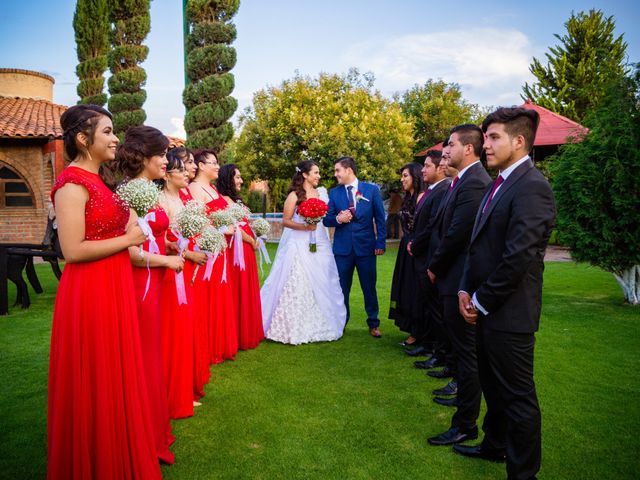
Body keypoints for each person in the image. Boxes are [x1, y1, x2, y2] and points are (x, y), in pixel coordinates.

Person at [48, 104, 161, 479]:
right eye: (108, 132)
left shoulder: (101, 183)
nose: (116, 139)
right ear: (83, 139)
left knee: (117, 373)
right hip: (89, 293)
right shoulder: (71, 184)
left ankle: (119, 452)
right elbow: (73, 250)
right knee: (94, 375)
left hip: (114, 287)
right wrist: (129, 237)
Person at [454, 108, 555, 480]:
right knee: (493, 390)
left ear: (519, 141)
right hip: (484, 306)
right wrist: (465, 287)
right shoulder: (499, 182)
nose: (486, 145)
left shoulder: (533, 187)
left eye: (494, 137)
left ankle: (523, 474)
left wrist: (480, 301)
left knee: (518, 398)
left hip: (510, 314)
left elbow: (518, 258)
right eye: (486, 137)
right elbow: (478, 245)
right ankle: (494, 447)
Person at [115, 126, 184, 464]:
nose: (166, 161)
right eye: (161, 155)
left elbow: (148, 235)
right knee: (142, 358)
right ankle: (139, 434)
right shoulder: (130, 192)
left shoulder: (146, 190)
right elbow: (128, 251)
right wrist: (167, 260)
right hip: (140, 283)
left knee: (152, 355)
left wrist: (168, 243)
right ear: (143, 157)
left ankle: (153, 427)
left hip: (153, 280)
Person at [425, 125, 491, 446]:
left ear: (468, 148)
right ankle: (464, 408)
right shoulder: (461, 181)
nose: (445, 151)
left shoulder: (475, 182)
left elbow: (458, 233)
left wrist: (435, 267)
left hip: (459, 278)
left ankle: (465, 424)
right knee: (463, 352)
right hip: (452, 278)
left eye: (450, 145)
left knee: (468, 355)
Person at [261, 160, 347, 344]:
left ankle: (322, 322)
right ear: (305, 175)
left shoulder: (322, 193)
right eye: (315, 172)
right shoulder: (294, 195)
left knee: (324, 279)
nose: (319, 176)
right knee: (299, 280)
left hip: (321, 242)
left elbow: (328, 217)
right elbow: (286, 221)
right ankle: (292, 326)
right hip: (299, 243)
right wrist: (304, 226)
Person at [159, 150, 205, 419]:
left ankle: (184, 386)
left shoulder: (185, 199)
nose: (188, 172)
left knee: (187, 328)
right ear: (167, 174)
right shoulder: (162, 201)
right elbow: (163, 241)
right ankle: (172, 392)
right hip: (171, 269)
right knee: (173, 330)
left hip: (186, 266)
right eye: (181, 168)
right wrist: (187, 253)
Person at [323, 156, 386, 337]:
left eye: (338, 171)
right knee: (342, 288)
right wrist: (337, 219)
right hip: (343, 250)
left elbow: (380, 219)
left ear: (348, 170)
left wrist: (380, 242)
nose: (336, 174)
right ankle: (341, 323)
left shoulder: (371, 190)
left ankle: (373, 323)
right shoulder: (334, 193)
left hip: (367, 248)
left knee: (369, 287)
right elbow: (327, 220)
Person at [188, 149, 238, 363]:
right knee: (206, 296)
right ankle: (205, 347)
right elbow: (195, 221)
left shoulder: (213, 189)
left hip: (220, 250)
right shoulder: (194, 189)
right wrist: (221, 229)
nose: (217, 166)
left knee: (219, 294)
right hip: (206, 249)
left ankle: (219, 343)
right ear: (200, 165)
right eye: (213, 163)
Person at [404, 150, 451, 357]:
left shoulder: (442, 191)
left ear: (440, 167)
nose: (422, 169)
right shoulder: (431, 190)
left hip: (428, 255)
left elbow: (433, 225)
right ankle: (428, 343)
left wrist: (415, 244)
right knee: (426, 305)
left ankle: (438, 351)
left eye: (427, 165)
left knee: (435, 308)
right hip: (421, 256)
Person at [217, 163, 265, 350]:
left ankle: (247, 331)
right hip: (236, 250)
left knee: (247, 288)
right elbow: (234, 228)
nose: (241, 181)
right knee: (238, 290)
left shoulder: (235, 199)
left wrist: (256, 235)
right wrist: (250, 240)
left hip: (245, 248)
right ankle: (238, 334)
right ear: (228, 178)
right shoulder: (224, 200)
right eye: (237, 177)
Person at [389, 163, 426, 345]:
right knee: (404, 288)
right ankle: (410, 328)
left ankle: (418, 333)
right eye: (402, 176)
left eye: (405, 176)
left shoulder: (421, 197)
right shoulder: (408, 197)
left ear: (415, 177)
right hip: (405, 247)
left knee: (415, 290)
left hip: (416, 248)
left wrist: (414, 243)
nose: (402, 179)